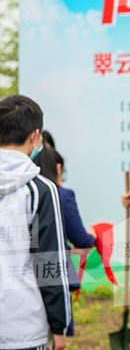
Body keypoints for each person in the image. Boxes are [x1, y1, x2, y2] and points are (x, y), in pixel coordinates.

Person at [0, 95, 71, 350]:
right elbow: (50, 262)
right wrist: (60, 326)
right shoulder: (40, 190)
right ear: (35, 136)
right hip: (23, 327)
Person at [34, 148, 97, 308]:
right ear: (58, 168)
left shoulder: (30, 195)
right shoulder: (62, 195)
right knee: (60, 319)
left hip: (30, 275)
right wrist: (92, 236)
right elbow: (81, 239)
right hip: (55, 275)